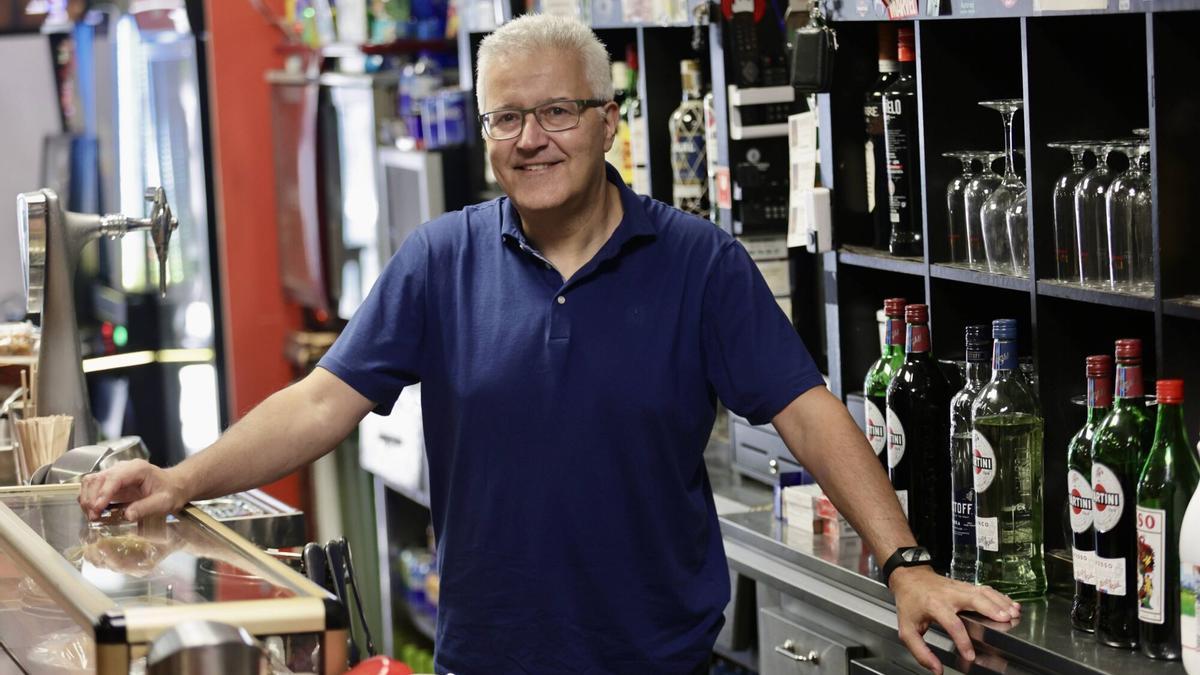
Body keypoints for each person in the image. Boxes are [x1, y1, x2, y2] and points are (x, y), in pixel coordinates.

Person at [79, 14, 1020, 674]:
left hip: (658, 660)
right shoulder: (439, 258)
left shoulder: (699, 263)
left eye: (558, 112)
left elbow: (809, 413)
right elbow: (323, 399)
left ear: (608, 120)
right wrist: (177, 481)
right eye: (505, 118)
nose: (532, 139)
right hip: (487, 658)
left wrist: (905, 564)